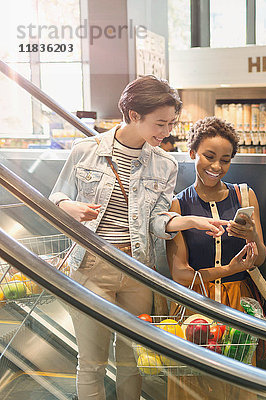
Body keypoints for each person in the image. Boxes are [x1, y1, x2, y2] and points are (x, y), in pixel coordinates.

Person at [50, 75, 228, 400]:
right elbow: (56, 198)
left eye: (171, 123)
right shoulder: (85, 151)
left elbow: (156, 222)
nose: (166, 132)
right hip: (91, 268)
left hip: (137, 270)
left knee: (133, 361)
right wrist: (69, 206)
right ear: (134, 115)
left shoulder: (164, 163)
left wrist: (188, 220)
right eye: (160, 124)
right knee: (92, 362)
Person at [166, 116, 266, 399]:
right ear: (192, 153)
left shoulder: (245, 196)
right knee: (194, 385)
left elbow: (260, 258)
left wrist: (253, 237)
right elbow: (180, 274)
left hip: (239, 304)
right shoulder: (178, 205)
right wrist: (227, 269)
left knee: (239, 384)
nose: (217, 166)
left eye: (225, 159)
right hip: (196, 307)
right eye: (209, 156)